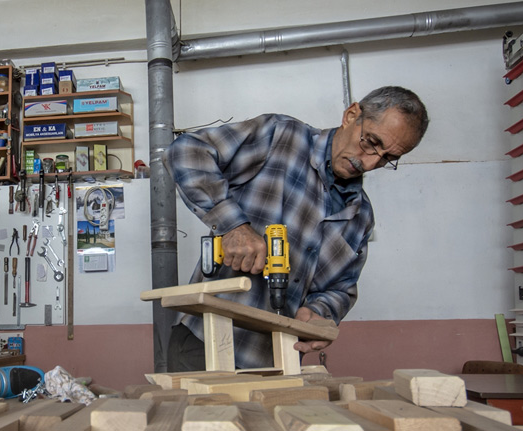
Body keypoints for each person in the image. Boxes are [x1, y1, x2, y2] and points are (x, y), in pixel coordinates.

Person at [163, 86, 429, 371]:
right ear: (352, 116)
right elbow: (187, 151)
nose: (371, 162)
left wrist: (319, 313)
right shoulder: (281, 137)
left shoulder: (360, 215)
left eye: (388, 158)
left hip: (278, 362)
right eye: (371, 142)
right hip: (206, 347)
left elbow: (341, 288)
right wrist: (233, 226)